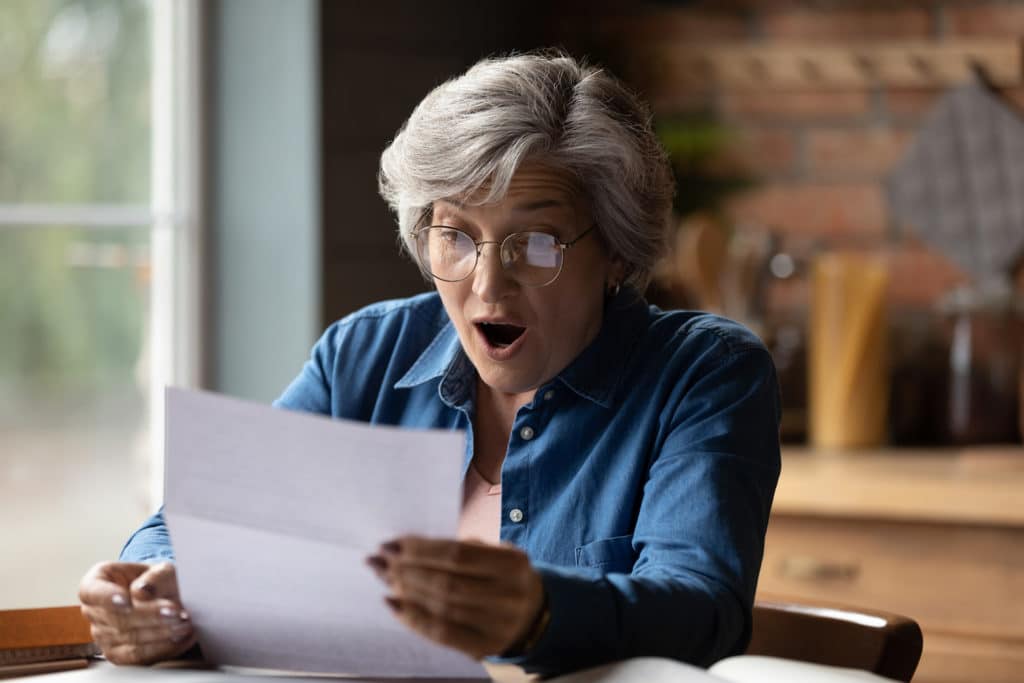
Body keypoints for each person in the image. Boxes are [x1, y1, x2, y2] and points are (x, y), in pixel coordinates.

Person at [79, 51, 780, 677]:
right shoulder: (362, 357)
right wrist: (148, 585)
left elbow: (701, 611)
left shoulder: (705, 371)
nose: (487, 285)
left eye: (535, 243)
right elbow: (203, 522)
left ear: (619, 251)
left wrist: (537, 612)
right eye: (457, 236)